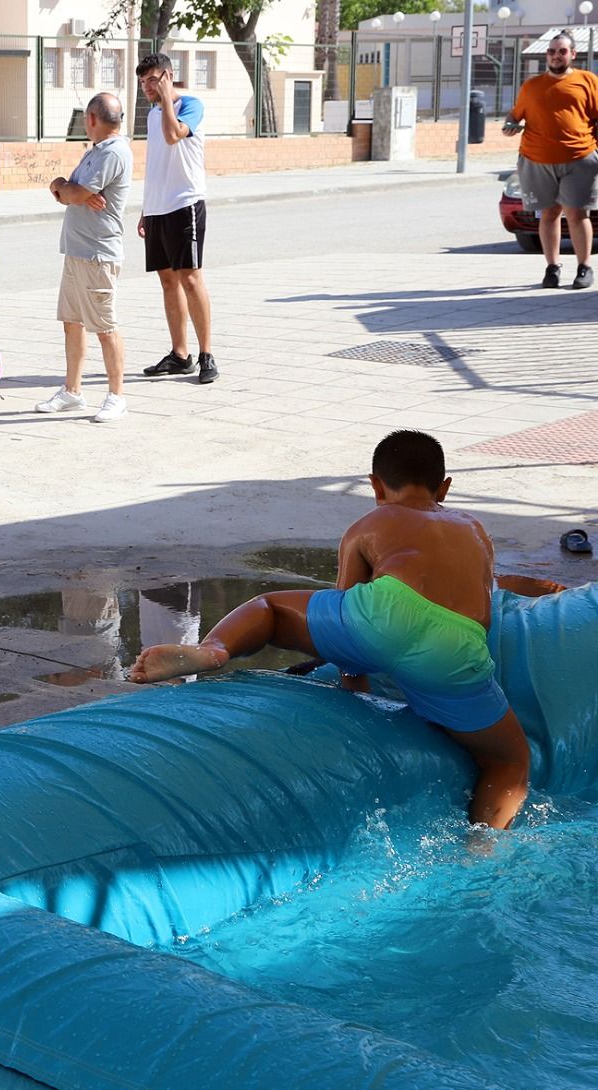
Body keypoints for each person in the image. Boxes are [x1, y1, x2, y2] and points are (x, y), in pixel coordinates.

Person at [130, 430, 532, 832]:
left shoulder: (370, 523)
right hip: (458, 644)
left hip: (384, 613)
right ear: (445, 487)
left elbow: (346, 606)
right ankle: (482, 848)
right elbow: (483, 603)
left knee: (269, 608)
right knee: (509, 760)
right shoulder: (474, 528)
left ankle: (213, 651)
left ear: (375, 485)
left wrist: (353, 688)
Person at [35, 93, 133, 424]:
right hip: (77, 252)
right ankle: (72, 391)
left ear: (91, 118)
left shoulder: (114, 152)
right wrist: (66, 187)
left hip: (97, 253)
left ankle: (117, 396)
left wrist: (72, 191)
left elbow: (73, 193)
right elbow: (66, 189)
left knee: (105, 327)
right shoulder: (95, 152)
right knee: (72, 323)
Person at [136, 53, 217, 385]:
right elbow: (157, 161)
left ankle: (206, 354)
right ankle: (180, 355)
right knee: (168, 281)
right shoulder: (154, 114)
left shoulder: (190, 105)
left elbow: (174, 136)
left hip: (185, 204)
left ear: (168, 76)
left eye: (153, 80)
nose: (147, 88)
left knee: (191, 279)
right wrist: (145, 208)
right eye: (143, 82)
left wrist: (168, 97)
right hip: (158, 208)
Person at [503, 30, 598, 289]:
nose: (556, 56)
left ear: (573, 54)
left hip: (579, 158)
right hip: (537, 159)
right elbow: (515, 116)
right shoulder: (531, 86)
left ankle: (584, 267)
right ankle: (552, 268)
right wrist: (510, 126)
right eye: (552, 51)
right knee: (549, 213)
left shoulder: (588, 81)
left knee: (577, 214)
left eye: (562, 51)